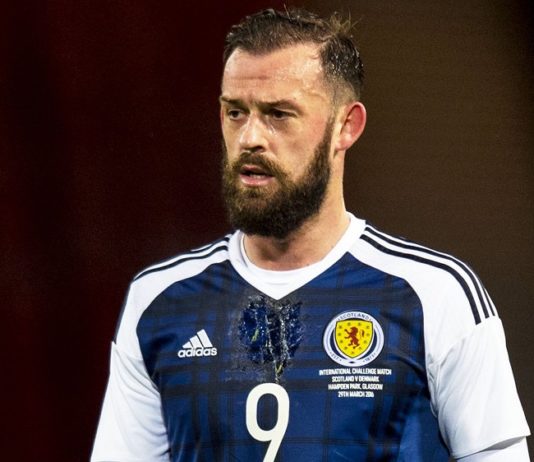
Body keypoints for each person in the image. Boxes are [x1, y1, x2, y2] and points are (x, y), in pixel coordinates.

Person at [91, 7, 530, 462]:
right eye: (235, 112)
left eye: (278, 114)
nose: (249, 138)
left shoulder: (435, 295)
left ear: (346, 126)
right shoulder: (160, 302)